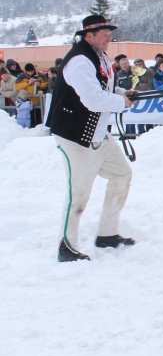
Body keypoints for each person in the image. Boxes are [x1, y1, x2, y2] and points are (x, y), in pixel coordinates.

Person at [45, 14, 136, 262]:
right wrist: (121, 101)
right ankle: (67, 245)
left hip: (97, 134)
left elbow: (102, 89)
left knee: (121, 174)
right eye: (104, 34)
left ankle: (107, 234)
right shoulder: (78, 62)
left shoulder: (99, 58)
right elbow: (93, 99)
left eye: (109, 33)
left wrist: (122, 93)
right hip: (76, 137)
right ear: (89, 36)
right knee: (79, 194)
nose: (109, 38)